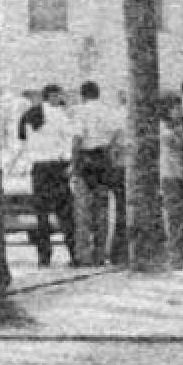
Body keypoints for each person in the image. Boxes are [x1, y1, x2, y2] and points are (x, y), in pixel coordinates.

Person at [18, 84, 76, 267]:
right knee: (65, 212)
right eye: (58, 95)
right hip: (57, 166)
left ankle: (44, 256)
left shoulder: (29, 115)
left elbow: (23, 139)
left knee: (41, 214)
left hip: (39, 168)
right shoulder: (61, 115)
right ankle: (74, 253)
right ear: (52, 96)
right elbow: (68, 139)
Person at [69, 81, 125, 267]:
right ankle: (100, 254)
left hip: (86, 159)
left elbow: (77, 138)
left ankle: (84, 255)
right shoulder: (108, 111)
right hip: (104, 159)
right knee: (102, 208)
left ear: (83, 94)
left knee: (83, 210)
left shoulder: (81, 111)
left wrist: (74, 164)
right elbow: (117, 134)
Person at [158, 93, 183, 265]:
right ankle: (174, 252)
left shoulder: (181, 128)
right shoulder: (163, 129)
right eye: (176, 108)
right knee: (173, 214)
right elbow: (177, 145)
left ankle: (181, 250)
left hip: (181, 172)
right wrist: (181, 134)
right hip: (168, 173)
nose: (180, 111)